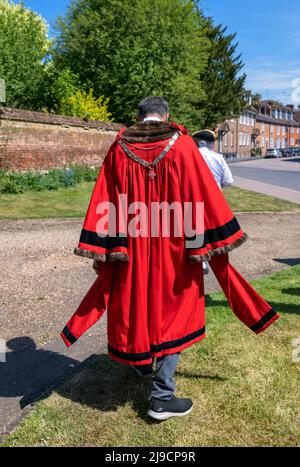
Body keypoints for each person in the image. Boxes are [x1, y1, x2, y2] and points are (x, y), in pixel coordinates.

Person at [61, 96, 279, 421]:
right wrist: (206, 243)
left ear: (139, 116)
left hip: (131, 244)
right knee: (174, 310)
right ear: (166, 116)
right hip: (178, 244)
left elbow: (104, 200)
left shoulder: (119, 147)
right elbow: (203, 194)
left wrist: (105, 250)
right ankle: (161, 397)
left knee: (138, 305)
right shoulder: (183, 145)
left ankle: (144, 365)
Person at [193, 129, 234, 275]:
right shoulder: (218, 158)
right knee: (213, 229)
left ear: (199, 141)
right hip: (214, 198)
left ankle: (202, 261)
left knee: (198, 229)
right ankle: (215, 256)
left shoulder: (192, 155)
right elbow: (228, 180)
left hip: (194, 197)